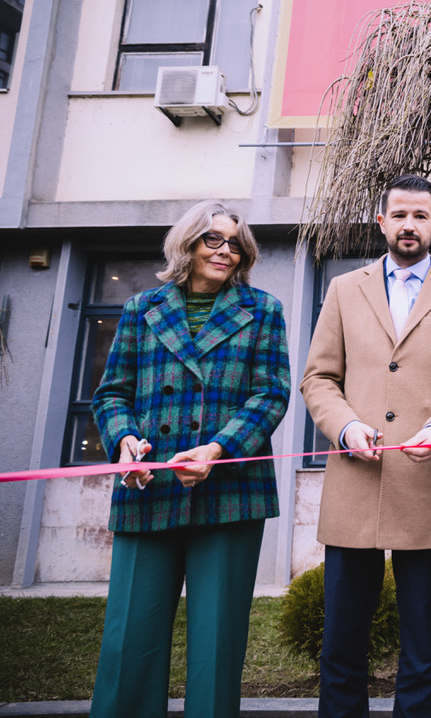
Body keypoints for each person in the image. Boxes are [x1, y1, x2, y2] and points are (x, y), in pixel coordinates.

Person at [300, 174, 431, 718]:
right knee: (342, 640)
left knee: (422, 643)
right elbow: (319, 378)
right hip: (355, 484)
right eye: (400, 215)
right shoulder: (344, 289)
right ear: (382, 221)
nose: (410, 225)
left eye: (420, 216)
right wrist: (344, 427)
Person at [90, 200, 290, 718]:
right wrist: (125, 442)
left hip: (229, 493)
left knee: (216, 646)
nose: (225, 251)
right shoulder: (141, 308)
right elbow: (111, 394)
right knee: (129, 642)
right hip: (147, 490)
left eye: (235, 244)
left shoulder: (263, 310)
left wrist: (218, 448)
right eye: (213, 239)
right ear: (188, 243)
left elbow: (271, 394)